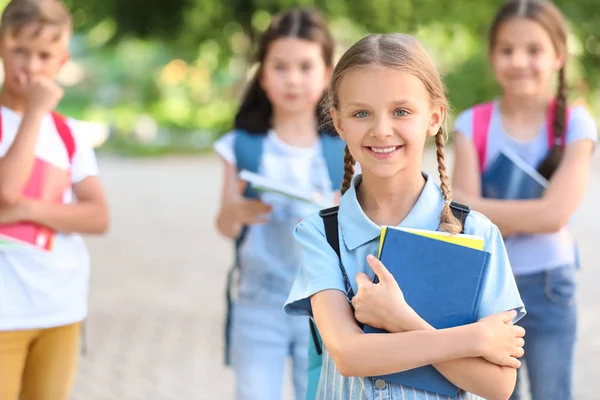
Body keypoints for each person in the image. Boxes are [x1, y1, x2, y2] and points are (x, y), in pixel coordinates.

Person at [283, 32, 527, 400]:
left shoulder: (475, 234)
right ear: (338, 122)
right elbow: (349, 355)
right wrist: (471, 339)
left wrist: (399, 320)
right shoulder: (321, 234)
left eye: (401, 111)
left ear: (433, 118)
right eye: (361, 113)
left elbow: (498, 385)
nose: (382, 129)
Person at [451, 1, 597, 399]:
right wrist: (525, 214)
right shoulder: (471, 124)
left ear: (558, 56)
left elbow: (554, 215)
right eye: (506, 49)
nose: (519, 61)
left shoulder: (576, 125)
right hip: (490, 288)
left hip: (551, 286)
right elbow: (464, 222)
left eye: (533, 50)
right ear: (492, 55)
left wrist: (481, 209)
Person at [213, 8, 345, 400]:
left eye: (305, 67)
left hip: (327, 303)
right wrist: (237, 212)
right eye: (280, 67)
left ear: (325, 74)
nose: (293, 79)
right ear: (263, 74)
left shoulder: (345, 147)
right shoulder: (242, 145)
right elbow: (225, 226)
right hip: (258, 300)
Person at [0, 1, 109, 399]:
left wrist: (28, 210)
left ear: (61, 61)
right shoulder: (25, 120)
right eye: (20, 51)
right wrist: (33, 114)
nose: (30, 65)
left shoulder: (69, 134)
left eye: (44, 55)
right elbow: (5, 191)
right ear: (1, 48)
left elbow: (97, 216)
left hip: (59, 307)